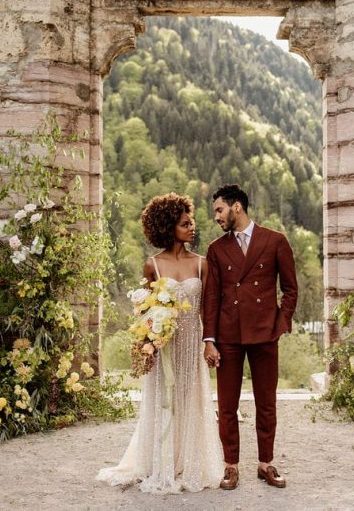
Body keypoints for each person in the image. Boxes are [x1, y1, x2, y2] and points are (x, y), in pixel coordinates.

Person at [97, 193, 224, 493]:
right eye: (184, 224)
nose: (192, 228)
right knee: (163, 402)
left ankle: (188, 463)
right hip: (163, 346)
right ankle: (161, 464)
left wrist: (209, 343)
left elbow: (209, 309)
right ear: (168, 228)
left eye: (192, 222)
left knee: (189, 401)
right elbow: (144, 311)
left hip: (191, 345)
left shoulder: (202, 264)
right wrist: (148, 344)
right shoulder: (151, 265)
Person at [202, 184, 298, 490]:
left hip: (264, 333)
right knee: (227, 405)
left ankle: (266, 463)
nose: (216, 216)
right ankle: (230, 466)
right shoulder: (216, 249)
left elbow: (291, 288)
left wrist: (280, 321)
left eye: (219, 210)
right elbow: (212, 298)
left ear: (237, 207)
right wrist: (209, 339)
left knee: (266, 402)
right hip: (228, 335)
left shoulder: (275, 241)